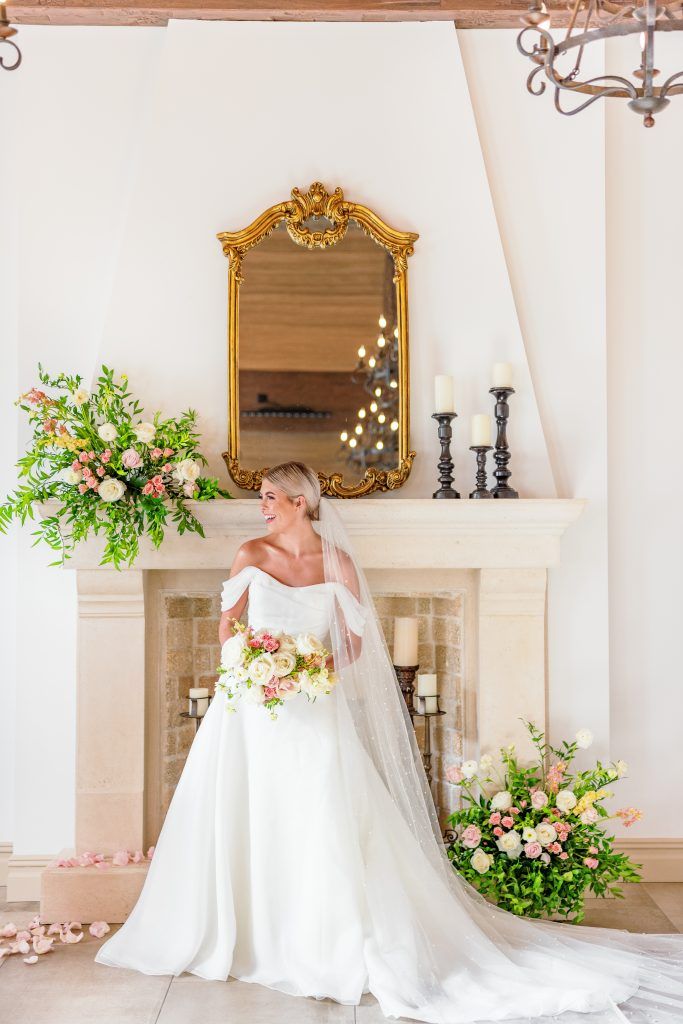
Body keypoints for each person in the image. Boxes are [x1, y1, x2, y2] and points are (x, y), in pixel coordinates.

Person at [96, 461, 683, 1023]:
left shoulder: (339, 563)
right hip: (247, 707)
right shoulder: (251, 554)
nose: (262, 507)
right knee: (243, 806)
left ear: (300, 504)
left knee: (320, 809)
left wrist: (311, 667)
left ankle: (321, 932)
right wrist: (249, 663)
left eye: (271, 497)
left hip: (312, 704)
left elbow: (356, 644)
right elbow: (229, 624)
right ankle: (244, 927)